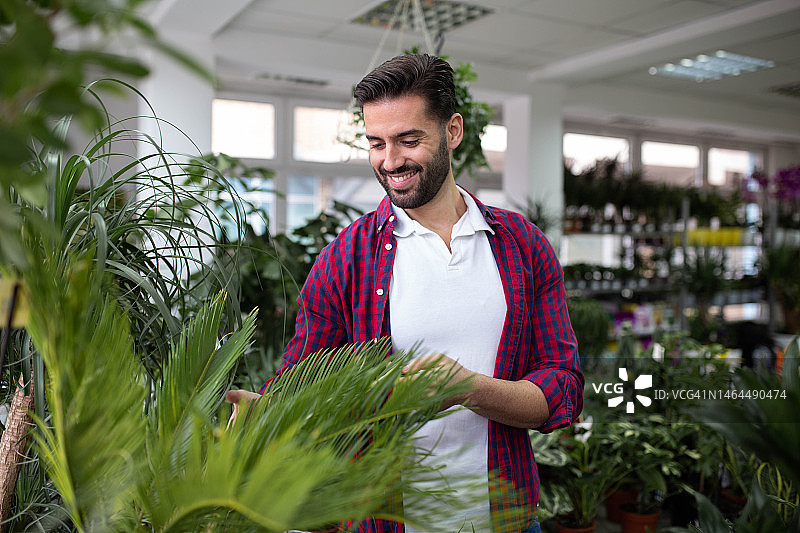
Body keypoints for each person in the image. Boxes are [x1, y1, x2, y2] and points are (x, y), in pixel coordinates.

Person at [227, 53, 583, 533]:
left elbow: (562, 388)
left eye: (408, 140)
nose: (390, 161)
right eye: (376, 143)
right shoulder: (346, 259)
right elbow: (304, 377)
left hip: (506, 518)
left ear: (452, 131)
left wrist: (469, 389)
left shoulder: (523, 246)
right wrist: (269, 410)